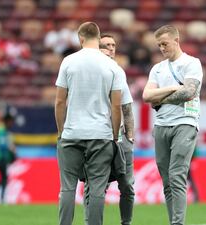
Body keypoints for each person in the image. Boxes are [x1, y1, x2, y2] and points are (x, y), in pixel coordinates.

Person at [55, 21, 123, 225]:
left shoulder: (68, 61)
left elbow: (59, 101)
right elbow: (116, 106)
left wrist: (61, 132)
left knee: (67, 188)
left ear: (80, 38)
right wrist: (114, 135)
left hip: (71, 133)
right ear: (99, 37)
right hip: (100, 134)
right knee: (96, 189)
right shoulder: (112, 65)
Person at [142, 25, 203, 225]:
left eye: (165, 44)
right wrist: (170, 89)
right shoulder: (157, 68)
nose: (162, 48)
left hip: (185, 122)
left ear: (177, 41)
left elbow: (188, 92)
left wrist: (160, 99)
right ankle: (173, 222)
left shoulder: (191, 63)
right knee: (167, 180)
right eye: (159, 45)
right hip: (161, 125)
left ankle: (178, 223)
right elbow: (146, 96)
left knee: (177, 175)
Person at [83, 34, 135, 225]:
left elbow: (126, 106)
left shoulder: (118, 71)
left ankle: (126, 222)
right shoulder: (87, 73)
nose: (111, 48)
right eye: (106, 45)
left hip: (120, 138)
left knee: (127, 185)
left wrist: (130, 135)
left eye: (113, 45)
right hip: (96, 136)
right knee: (95, 186)